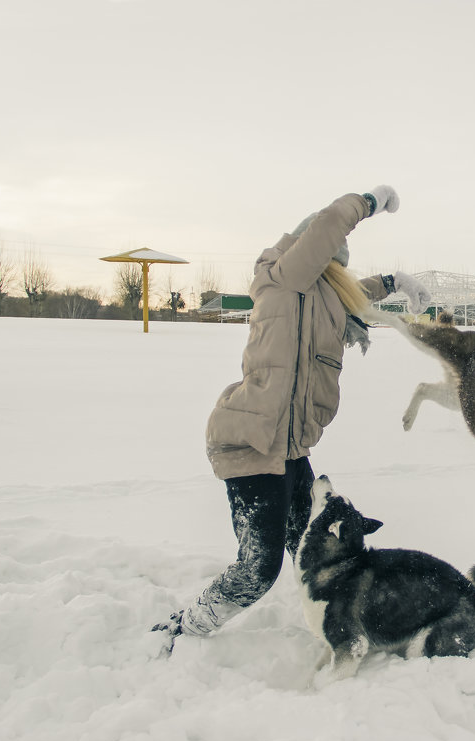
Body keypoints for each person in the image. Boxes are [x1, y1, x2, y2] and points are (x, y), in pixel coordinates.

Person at [153, 186, 431, 649]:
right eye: (329, 257)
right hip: (251, 443)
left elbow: (349, 295)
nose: (334, 267)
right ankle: (187, 628)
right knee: (259, 568)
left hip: (289, 449)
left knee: (314, 546)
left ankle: (348, 620)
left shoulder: (317, 295)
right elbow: (327, 228)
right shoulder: (282, 279)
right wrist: (369, 201)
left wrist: (394, 281)